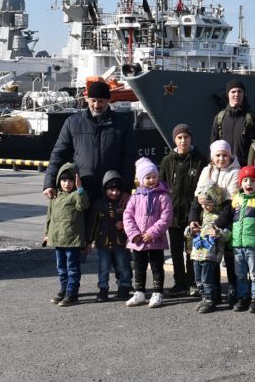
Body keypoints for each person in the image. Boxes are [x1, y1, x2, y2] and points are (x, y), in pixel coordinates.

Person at [43, 80, 137, 207]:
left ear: (108, 100)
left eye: (101, 101)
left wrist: (126, 189)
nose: (97, 105)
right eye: (93, 101)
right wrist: (49, 183)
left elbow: (129, 159)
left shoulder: (123, 124)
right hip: (80, 190)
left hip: (111, 191)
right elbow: (58, 154)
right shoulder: (72, 122)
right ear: (87, 99)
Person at [158, 123, 209, 297]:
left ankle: (192, 282)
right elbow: (161, 185)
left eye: (186, 137)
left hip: (192, 212)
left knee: (191, 250)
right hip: (173, 212)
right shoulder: (167, 161)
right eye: (179, 138)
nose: (183, 141)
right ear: (175, 140)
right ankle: (179, 282)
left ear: (190, 139)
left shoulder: (200, 160)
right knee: (175, 250)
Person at [123, 157, 173, 308]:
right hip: (138, 241)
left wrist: (153, 232)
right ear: (141, 179)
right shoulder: (135, 197)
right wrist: (133, 234)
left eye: (154, 177)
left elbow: (166, 217)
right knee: (139, 267)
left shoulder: (163, 196)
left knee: (157, 266)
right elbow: (127, 216)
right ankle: (139, 292)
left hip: (155, 239)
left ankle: (157, 293)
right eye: (148, 177)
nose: (152, 180)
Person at [43, 163, 89, 307]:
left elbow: (83, 205)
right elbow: (50, 217)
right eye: (63, 180)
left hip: (72, 240)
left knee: (72, 267)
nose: (66, 184)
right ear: (59, 180)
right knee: (61, 267)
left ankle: (72, 293)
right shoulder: (55, 196)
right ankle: (64, 289)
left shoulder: (77, 195)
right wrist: (47, 233)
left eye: (70, 181)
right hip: (58, 239)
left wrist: (80, 188)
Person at [229, 165, 255, 312]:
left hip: (253, 245)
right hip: (237, 244)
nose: (249, 184)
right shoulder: (236, 200)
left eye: (253, 181)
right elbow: (231, 221)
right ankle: (243, 297)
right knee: (240, 274)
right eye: (245, 180)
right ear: (241, 183)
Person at [185, 181, 232, 314]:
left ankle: (210, 300)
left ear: (215, 201)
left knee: (207, 280)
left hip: (210, 255)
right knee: (198, 280)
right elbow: (189, 233)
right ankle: (204, 298)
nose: (204, 207)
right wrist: (191, 230)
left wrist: (218, 233)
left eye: (207, 204)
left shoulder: (220, 218)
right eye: (202, 204)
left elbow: (228, 235)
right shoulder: (201, 215)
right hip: (197, 253)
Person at [88, 170, 132, 303]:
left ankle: (124, 287)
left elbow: (133, 220)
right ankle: (103, 290)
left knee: (123, 266)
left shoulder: (125, 203)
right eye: (111, 190)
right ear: (105, 189)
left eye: (117, 190)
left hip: (120, 242)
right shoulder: (98, 204)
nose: (114, 193)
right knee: (104, 268)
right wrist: (89, 241)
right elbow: (92, 223)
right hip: (103, 243)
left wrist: (124, 225)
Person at [210, 79, 255, 165]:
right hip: (224, 165)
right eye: (233, 92)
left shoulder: (252, 117)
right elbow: (214, 143)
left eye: (239, 92)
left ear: (243, 94)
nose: (236, 94)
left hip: (244, 166)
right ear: (228, 94)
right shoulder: (219, 118)